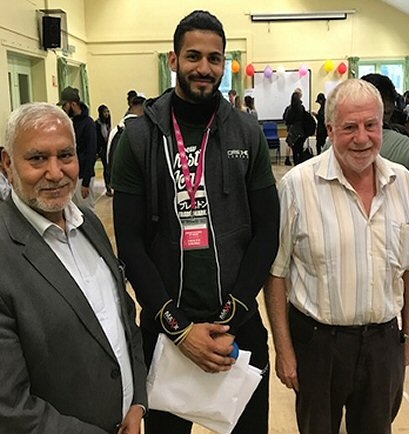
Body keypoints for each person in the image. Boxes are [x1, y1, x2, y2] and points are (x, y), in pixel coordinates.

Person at [111, 10, 280, 434]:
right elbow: (130, 243)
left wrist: (232, 314)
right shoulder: (138, 138)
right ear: (173, 60)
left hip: (237, 326)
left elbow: (266, 232)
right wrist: (180, 329)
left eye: (215, 58)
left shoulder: (246, 133)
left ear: (224, 64)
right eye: (193, 56)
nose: (204, 68)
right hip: (166, 331)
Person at [264, 79, 409, 434]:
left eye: (370, 125)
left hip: (383, 345)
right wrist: (283, 350)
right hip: (319, 347)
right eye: (349, 127)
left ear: (381, 124)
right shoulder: (298, 185)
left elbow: (406, 272)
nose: (362, 138)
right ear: (329, 130)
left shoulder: (403, 182)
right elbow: (276, 273)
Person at [0, 102, 148, 434]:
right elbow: (10, 409)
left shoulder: (89, 224)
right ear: (7, 163)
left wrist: (137, 400)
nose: (55, 172)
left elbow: (124, 318)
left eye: (66, 155)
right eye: (37, 158)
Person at [59, 86, 98, 212]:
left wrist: (86, 182)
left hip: (83, 177)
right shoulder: (70, 123)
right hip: (73, 176)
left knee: (87, 213)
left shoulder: (88, 124)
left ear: (73, 104)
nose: (63, 109)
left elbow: (91, 153)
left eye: (65, 105)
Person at [107, 95, 146, 183]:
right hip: (131, 184)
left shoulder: (115, 130)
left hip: (117, 182)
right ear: (142, 109)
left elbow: (109, 157)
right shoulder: (136, 131)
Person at [283, 90, 307, 165]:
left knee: (294, 149)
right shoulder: (302, 108)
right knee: (300, 149)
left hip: (293, 132)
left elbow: (286, 119)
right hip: (301, 132)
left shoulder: (289, 109)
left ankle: (295, 164)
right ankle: (301, 164)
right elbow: (305, 119)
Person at [95, 104, 112, 196]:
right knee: (106, 167)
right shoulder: (97, 124)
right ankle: (108, 187)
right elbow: (97, 138)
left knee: (109, 167)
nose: (107, 114)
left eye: (107, 112)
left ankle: (110, 186)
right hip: (101, 149)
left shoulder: (108, 123)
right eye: (105, 112)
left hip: (108, 147)